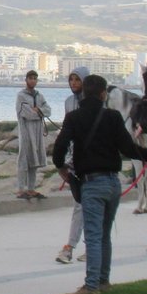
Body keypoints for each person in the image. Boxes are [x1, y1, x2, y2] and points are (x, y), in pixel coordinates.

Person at [51, 74, 147, 294]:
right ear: (103, 94)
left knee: (92, 236)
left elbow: (59, 147)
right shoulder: (113, 117)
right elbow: (130, 149)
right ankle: (103, 280)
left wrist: (61, 168)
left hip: (91, 184)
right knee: (104, 235)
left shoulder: (73, 118)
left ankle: (91, 286)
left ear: (83, 93)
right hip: (112, 183)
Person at [55, 67, 89, 263]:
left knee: (84, 206)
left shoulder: (96, 104)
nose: (74, 83)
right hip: (73, 161)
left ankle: (73, 246)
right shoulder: (69, 103)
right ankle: (76, 245)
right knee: (80, 205)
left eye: (77, 80)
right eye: (71, 79)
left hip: (90, 161)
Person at [14, 70, 51, 199]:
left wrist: (39, 110)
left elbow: (48, 110)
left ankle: (31, 189)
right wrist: (38, 112)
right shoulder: (21, 96)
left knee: (34, 161)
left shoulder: (39, 96)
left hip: (37, 132)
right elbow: (26, 113)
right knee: (23, 160)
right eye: (30, 78)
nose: (33, 80)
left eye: (35, 78)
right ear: (26, 80)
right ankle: (20, 189)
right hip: (25, 132)